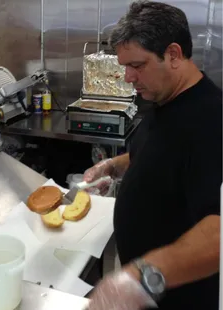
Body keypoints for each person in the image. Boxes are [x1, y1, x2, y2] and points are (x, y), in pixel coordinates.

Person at [84, 1, 222, 310]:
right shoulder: (165, 101)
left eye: (137, 65)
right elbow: (156, 155)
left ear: (173, 54)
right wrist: (114, 167)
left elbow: (218, 232)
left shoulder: (212, 121)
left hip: (177, 296)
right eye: (125, 67)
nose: (128, 77)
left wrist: (140, 278)